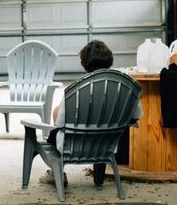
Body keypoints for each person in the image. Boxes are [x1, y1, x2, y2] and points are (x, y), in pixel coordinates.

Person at [44, 40, 143, 185]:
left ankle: (56, 172)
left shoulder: (75, 90)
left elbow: (60, 122)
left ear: (84, 64)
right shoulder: (125, 86)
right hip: (107, 145)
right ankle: (99, 178)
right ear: (109, 60)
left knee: (57, 114)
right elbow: (137, 115)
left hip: (73, 146)